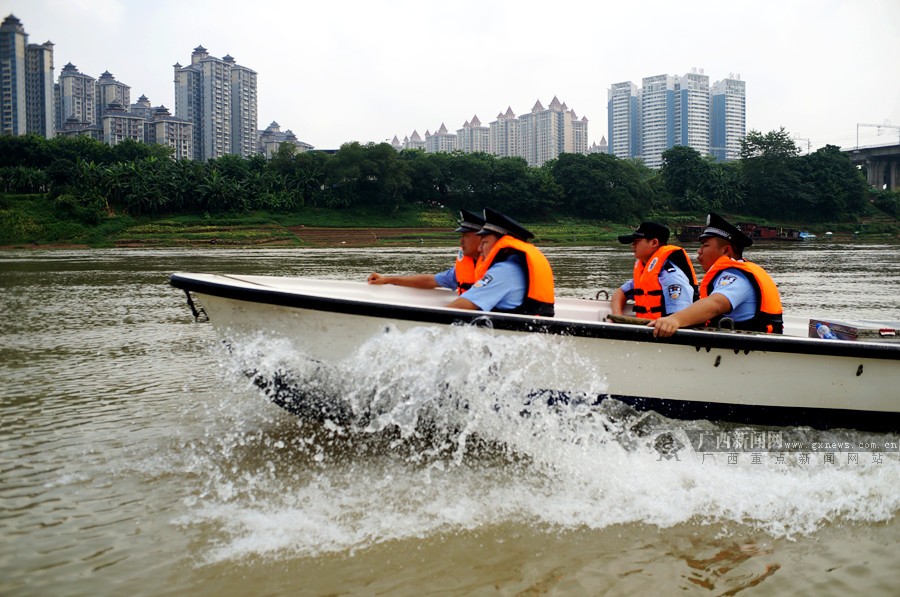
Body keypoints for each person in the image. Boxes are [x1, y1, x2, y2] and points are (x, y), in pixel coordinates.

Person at [649, 213, 784, 338]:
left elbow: (715, 304)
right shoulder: (733, 273)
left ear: (726, 251)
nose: (699, 251)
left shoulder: (736, 277)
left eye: (705, 245)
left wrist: (675, 319)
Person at [446, 207, 555, 316]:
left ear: (500, 244)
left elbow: (460, 306)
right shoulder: (514, 268)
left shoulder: (504, 271)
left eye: (484, 243)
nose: (479, 249)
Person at [367, 209, 484, 294]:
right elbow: (430, 280)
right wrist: (387, 279)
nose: (461, 241)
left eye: (466, 235)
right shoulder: (460, 271)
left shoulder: (498, 269)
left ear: (482, 238)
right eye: (461, 235)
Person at [610, 222, 698, 320]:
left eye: (637, 241)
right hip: (648, 328)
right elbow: (620, 292)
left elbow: (681, 316)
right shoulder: (646, 273)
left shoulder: (670, 276)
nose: (633, 245)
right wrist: (617, 315)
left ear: (654, 243)